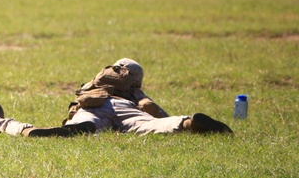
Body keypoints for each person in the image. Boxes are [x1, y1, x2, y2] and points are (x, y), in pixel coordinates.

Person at [61, 57, 233, 135]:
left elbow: (75, 108)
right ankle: (187, 123)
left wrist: (73, 117)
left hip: (94, 105)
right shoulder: (133, 90)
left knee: (88, 122)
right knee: (148, 125)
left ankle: (78, 128)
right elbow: (147, 107)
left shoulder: (93, 84)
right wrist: (166, 117)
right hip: (125, 107)